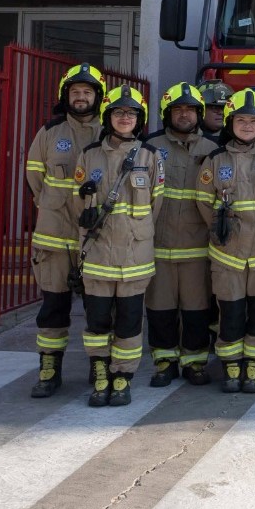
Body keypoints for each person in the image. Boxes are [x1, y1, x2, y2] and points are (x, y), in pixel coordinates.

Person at [66, 86, 164, 407]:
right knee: (96, 322)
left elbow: (155, 205)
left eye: (131, 113)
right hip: (97, 256)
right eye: (119, 113)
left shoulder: (150, 157)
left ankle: (122, 376)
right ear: (109, 117)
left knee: (129, 322)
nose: (125, 118)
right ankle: (99, 371)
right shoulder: (89, 155)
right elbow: (75, 204)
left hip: (135, 257)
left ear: (139, 119)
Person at [23, 63, 107, 398]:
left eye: (87, 92)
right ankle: (49, 369)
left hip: (98, 236)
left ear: (97, 96)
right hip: (54, 236)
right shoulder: (49, 131)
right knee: (53, 306)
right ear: (66, 96)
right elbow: (34, 177)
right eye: (76, 92)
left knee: (99, 307)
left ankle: (98, 364)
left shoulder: (111, 128)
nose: (82, 97)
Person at [195, 89, 255, 394]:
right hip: (228, 254)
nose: (247, 125)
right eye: (241, 119)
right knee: (230, 313)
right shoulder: (214, 159)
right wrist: (224, 232)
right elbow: (204, 203)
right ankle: (232, 366)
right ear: (230, 122)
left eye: (254, 120)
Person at [144, 82, 219, 387]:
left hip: (198, 246)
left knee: (196, 308)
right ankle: (164, 362)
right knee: (160, 307)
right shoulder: (149, 147)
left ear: (199, 113)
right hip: (158, 244)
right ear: (167, 113)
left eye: (190, 109)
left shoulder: (213, 150)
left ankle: (195, 362)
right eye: (178, 109)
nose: (185, 114)